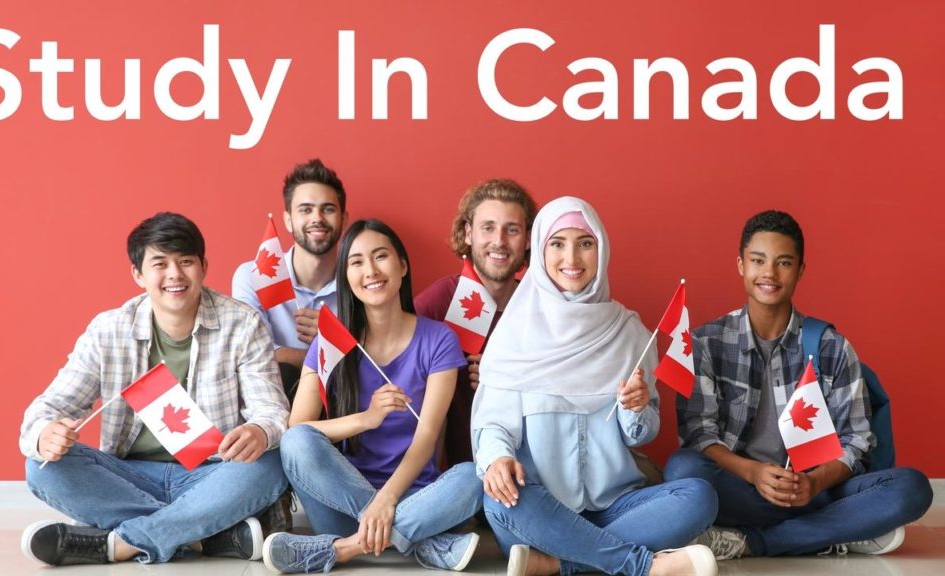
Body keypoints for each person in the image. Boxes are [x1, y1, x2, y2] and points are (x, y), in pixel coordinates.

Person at [19, 212, 289, 566]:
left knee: (271, 464)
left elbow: (272, 412)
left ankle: (119, 544)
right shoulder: (108, 330)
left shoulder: (242, 324)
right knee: (42, 466)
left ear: (204, 267)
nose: (174, 274)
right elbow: (47, 408)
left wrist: (259, 430)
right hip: (129, 474)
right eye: (159, 263)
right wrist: (45, 434)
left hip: (211, 474)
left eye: (186, 262)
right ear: (138, 274)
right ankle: (204, 537)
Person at [472, 196, 719, 576]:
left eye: (585, 243)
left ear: (601, 250)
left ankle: (559, 563)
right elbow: (494, 426)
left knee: (699, 496)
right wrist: (497, 459)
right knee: (499, 503)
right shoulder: (513, 335)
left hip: (617, 503)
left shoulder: (630, 333)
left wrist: (635, 409)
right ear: (539, 252)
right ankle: (642, 565)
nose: (572, 258)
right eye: (557, 244)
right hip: (542, 505)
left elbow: (642, 434)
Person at [665, 210, 933, 559]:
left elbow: (857, 440)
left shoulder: (830, 346)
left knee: (911, 489)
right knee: (682, 471)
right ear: (741, 265)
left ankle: (751, 541)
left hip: (814, 488)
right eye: (758, 260)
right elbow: (699, 434)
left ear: (800, 270)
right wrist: (754, 472)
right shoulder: (706, 342)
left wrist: (814, 483)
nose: (769, 273)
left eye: (784, 263)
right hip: (741, 486)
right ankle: (837, 531)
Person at [262, 219, 484, 574]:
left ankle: (344, 550)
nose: (371, 271)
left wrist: (388, 500)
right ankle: (422, 543)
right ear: (346, 276)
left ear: (402, 266)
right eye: (357, 262)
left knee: (475, 475)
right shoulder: (331, 342)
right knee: (298, 441)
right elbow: (297, 429)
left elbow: (427, 437)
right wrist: (367, 418)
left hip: (415, 497)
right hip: (340, 503)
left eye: (381, 257)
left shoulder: (439, 340)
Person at [415, 178, 537, 468]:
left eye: (512, 230)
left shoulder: (540, 306)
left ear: (528, 239)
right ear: (468, 233)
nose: (499, 241)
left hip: (526, 469)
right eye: (488, 228)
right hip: (454, 472)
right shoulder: (438, 302)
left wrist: (507, 381)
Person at [232, 158, 347, 400]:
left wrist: (336, 337)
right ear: (288, 220)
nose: (317, 218)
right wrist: (328, 351)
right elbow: (251, 355)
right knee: (282, 373)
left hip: (345, 400)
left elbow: (379, 358)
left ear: (344, 218)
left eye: (328, 209)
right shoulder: (254, 276)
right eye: (305, 209)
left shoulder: (360, 281)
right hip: (275, 404)